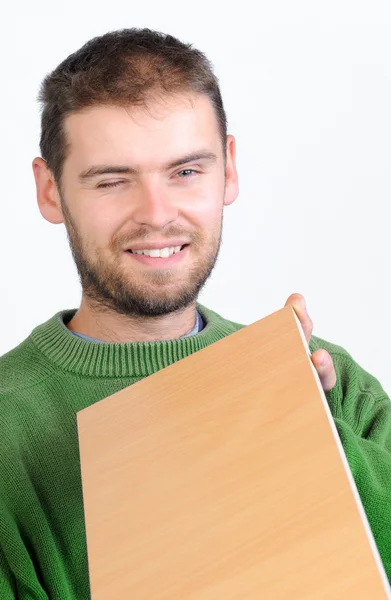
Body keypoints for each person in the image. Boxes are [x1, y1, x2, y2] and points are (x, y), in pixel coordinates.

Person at [0, 27, 390, 599]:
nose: (157, 215)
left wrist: (307, 437)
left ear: (228, 170)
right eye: (112, 181)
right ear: (51, 191)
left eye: (185, 172)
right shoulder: (8, 429)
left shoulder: (334, 387)